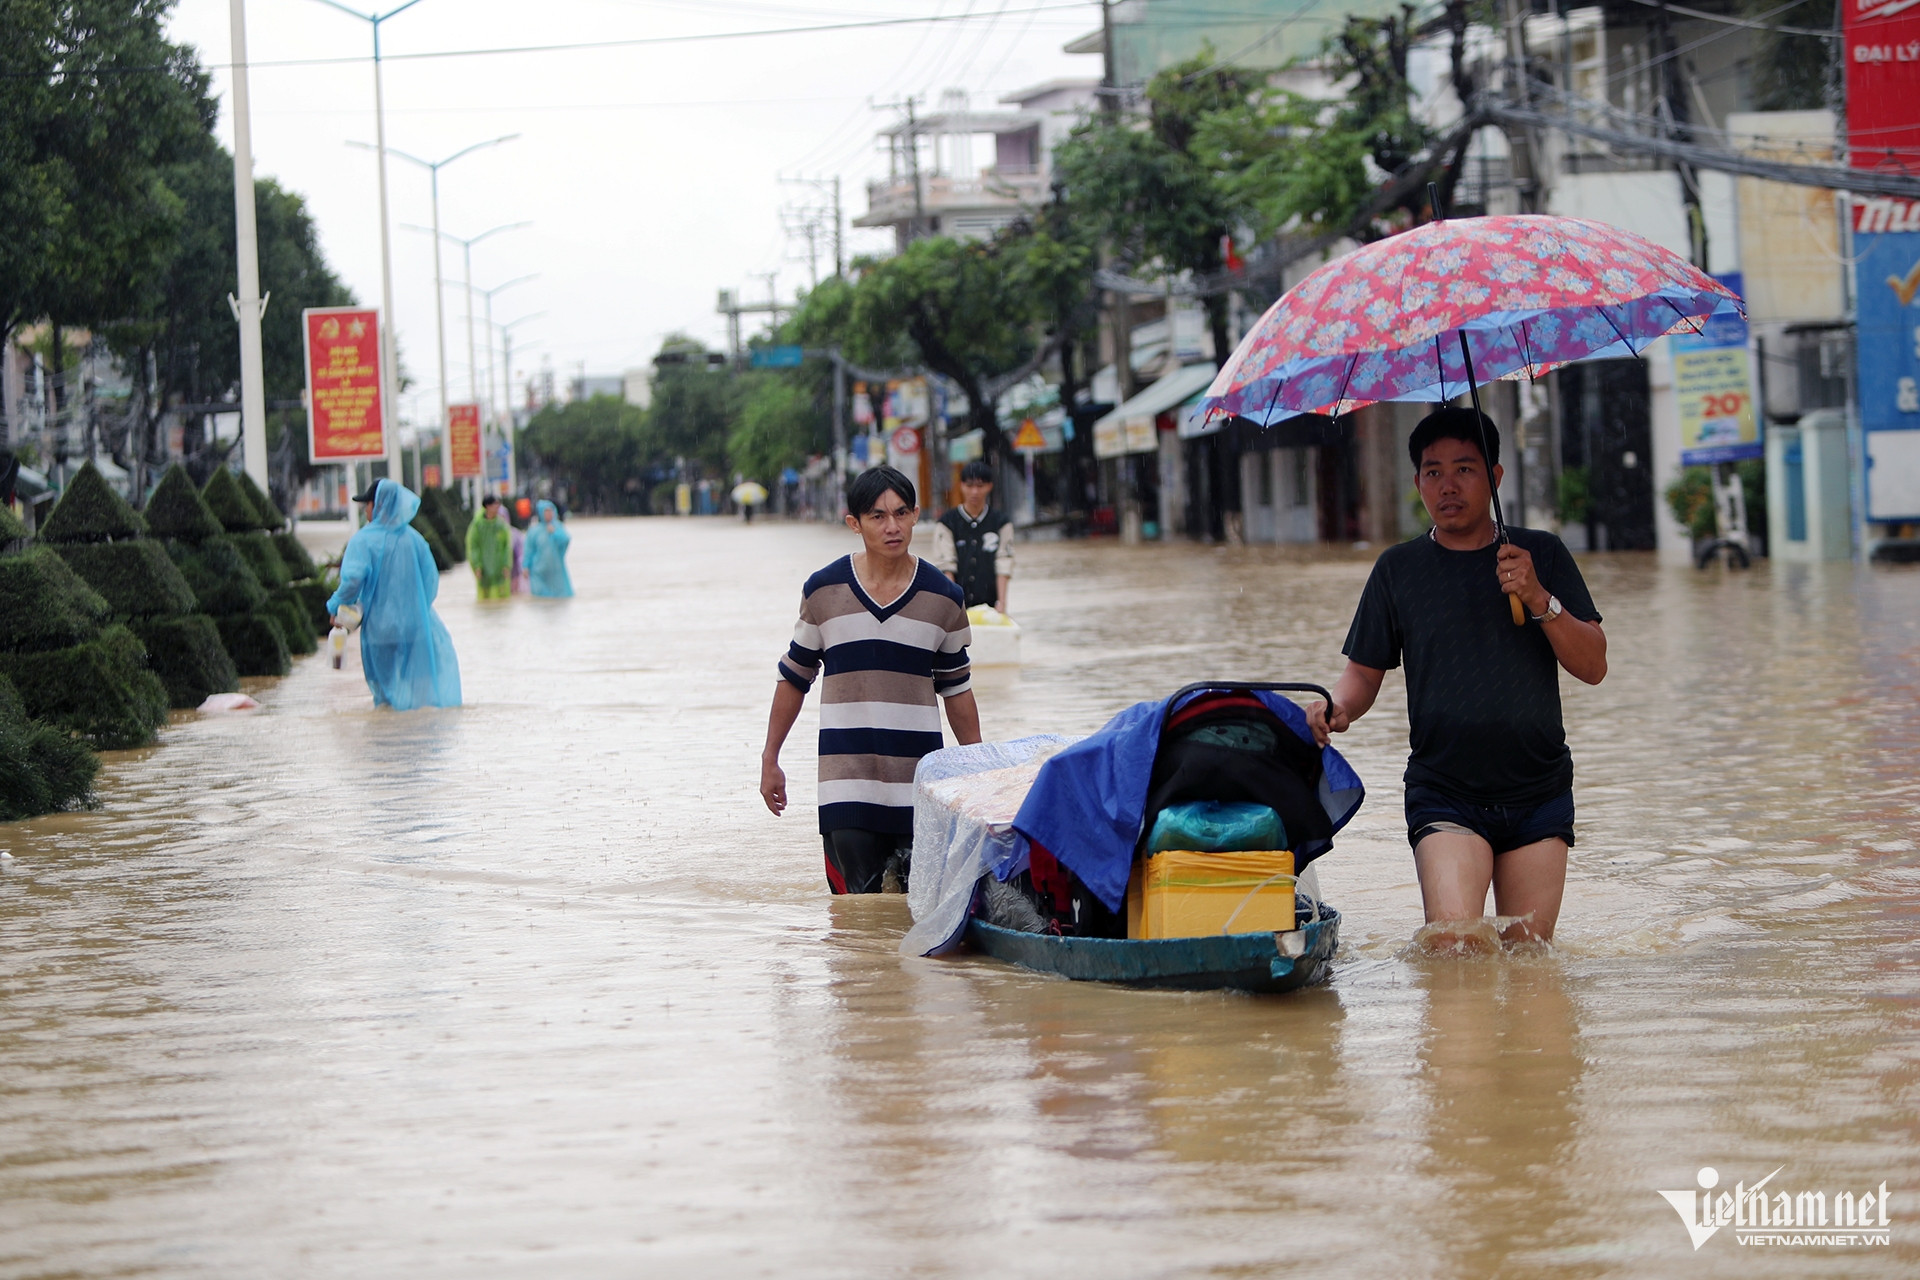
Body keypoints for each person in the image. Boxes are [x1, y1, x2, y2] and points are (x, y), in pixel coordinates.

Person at [1308, 408, 1606, 948]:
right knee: (1452, 950)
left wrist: (1539, 597)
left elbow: (1593, 666)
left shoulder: (1540, 555)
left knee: (1529, 965)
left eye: (1465, 469)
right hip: (1446, 791)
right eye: (1433, 471)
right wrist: (1337, 709)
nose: (1448, 485)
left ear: (1494, 477)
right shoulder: (1399, 570)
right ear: (1417, 481)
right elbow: (1363, 675)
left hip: (1537, 789)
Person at [760, 465, 983, 894]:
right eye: (878, 516)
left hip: (921, 789)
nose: (892, 526)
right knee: (857, 925)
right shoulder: (823, 590)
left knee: (916, 918)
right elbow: (793, 676)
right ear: (854, 524)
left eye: (901, 513)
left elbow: (957, 687)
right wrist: (771, 758)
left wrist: (980, 771)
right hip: (846, 787)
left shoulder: (945, 598)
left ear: (917, 514)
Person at [326, 479, 462, 710]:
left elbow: (352, 581)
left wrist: (335, 607)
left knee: (385, 695)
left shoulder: (363, 540)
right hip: (416, 628)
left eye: (367, 504)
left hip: (381, 631)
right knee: (418, 693)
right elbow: (431, 581)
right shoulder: (415, 539)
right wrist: (416, 608)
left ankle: (391, 739)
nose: (365, 510)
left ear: (377, 505)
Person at [928, 459, 1014, 613]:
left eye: (980, 486)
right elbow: (946, 564)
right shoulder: (947, 523)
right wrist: (954, 604)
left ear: (989, 486)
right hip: (958, 606)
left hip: (991, 605)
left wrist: (1002, 603)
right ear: (961, 486)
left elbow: (1004, 562)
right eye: (969, 486)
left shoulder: (1001, 522)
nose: (975, 492)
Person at [522, 498, 573, 598]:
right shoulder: (534, 531)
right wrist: (525, 566)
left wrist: (554, 533)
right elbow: (528, 549)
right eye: (546, 512)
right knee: (539, 597)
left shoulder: (558, 527)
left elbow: (566, 540)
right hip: (538, 571)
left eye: (550, 512)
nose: (549, 514)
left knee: (559, 597)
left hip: (556, 571)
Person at [465, 494, 512, 600]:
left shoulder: (501, 525)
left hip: (499, 569)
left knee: (502, 599)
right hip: (484, 569)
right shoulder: (477, 526)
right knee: (485, 597)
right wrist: (477, 566)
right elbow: (473, 547)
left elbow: (506, 547)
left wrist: (506, 565)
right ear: (487, 506)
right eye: (495, 504)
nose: (497, 508)